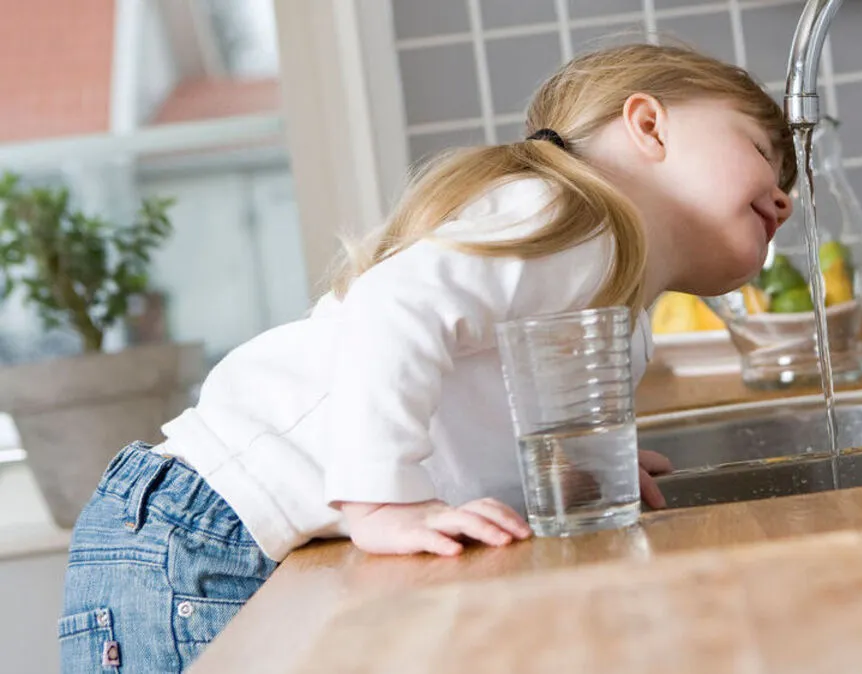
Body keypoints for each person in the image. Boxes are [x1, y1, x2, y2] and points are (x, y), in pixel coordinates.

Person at [57, 42, 796, 672]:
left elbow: (476, 406)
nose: (785, 198)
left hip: (219, 530)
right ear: (649, 125)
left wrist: (575, 467)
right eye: (765, 154)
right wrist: (384, 500)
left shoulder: (613, 296)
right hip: (199, 529)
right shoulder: (571, 217)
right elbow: (395, 307)